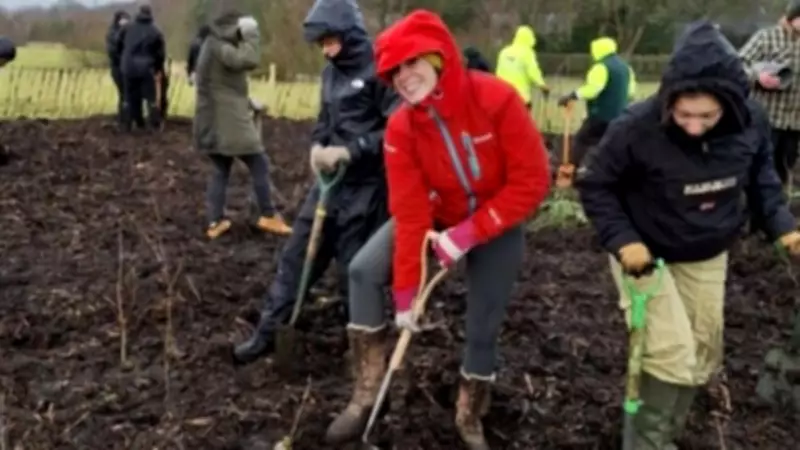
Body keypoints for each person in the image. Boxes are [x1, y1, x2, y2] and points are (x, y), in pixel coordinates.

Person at [324, 9, 551, 448]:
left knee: (484, 319)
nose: (404, 77)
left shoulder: (496, 99)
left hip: (497, 220)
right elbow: (410, 214)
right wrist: (406, 294)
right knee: (363, 270)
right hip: (436, 220)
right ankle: (367, 394)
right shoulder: (401, 128)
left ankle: (470, 413)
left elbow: (532, 181)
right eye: (395, 71)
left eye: (412, 62)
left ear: (439, 55)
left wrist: (469, 233)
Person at [576, 21, 800, 449]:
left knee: (700, 355)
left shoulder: (751, 122)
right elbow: (596, 184)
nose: (694, 126)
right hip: (645, 255)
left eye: (707, 116)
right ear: (669, 102)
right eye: (684, 115)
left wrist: (784, 227)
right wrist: (624, 241)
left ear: (729, 105)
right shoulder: (636, 127)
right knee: (670, 354)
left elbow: (763, 181)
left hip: (707, 251)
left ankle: (666, 437)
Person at [231, 0, 398, 365]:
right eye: (321, 43)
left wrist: (352, 151)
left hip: (367, 187)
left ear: (349, 35)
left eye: (330, 41)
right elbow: (325, 120)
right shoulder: (329, 74)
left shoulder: (382, 72)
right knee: (296, 256)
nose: (326, 50)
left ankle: (361, 351)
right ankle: (267, 333)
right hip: (330, 184)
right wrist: (317, 146)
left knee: (352, 269)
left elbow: (397, 130)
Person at [193, 11, 293, 239]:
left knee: (221, 168)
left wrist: (247, 101)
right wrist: (251, 34)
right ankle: (267, 214)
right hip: (226, 121)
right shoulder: (219, 46)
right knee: (259, 162)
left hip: (214, 120)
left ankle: (215, 221)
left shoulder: (212, 45)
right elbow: (247, 60)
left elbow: (222, 84)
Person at [739, 1, 800, 187]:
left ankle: (782, 199)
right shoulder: (767, 37)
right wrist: (757, 76)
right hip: (768, 119)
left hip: (795, 122)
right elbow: (738, 64)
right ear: (792, 18)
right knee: (762, 168)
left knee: (786, 168)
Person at [557, 37, 636, 169]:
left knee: (582, 141)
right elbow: (631, 92)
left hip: (600, 115)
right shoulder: (626, 68)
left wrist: (573, 95)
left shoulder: (601, 67)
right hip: (620, 116)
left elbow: (592, 89)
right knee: (610, 146)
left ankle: (572, 169)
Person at [116, 5, 166, 131]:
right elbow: (160, 53)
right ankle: (154, 124)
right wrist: (158, 68)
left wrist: (122, 59)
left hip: (128, 67)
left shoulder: (126, 28)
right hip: (146, 68)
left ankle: (127, 123)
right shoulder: (155, 31)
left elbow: (118, 44)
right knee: (150, 97)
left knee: (128, 96)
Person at [495, 25, 549, 108]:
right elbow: (533, 72)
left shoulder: (504, 52)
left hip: (503, 97)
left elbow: (498, 73)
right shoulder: (527, 53)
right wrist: (542, 85)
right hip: (521, 98)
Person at [106, 10, 130, 124]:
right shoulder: (113, 33)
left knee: (128, 94)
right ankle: (123, 119)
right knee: (124, 93)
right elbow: (112, 51)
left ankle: (128, 117)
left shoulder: (128, 33)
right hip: (118, 68)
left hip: (128, 67)